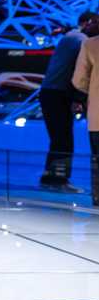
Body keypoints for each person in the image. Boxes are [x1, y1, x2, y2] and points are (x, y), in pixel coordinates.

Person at [39, 12, 97, 193]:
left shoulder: (72, 36)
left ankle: (51, 179)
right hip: (57, 94)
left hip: (52, 93)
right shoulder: (81, 40)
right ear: (88, 22)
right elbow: (83, 71)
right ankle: (57, 181)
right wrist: (79, 98)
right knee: (63, 141)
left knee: (60, 139)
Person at [70, 15, 99, 204]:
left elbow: (79, 80)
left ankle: (98, 197)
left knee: (97, 158)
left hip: (98, 115)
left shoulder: (90, 45)